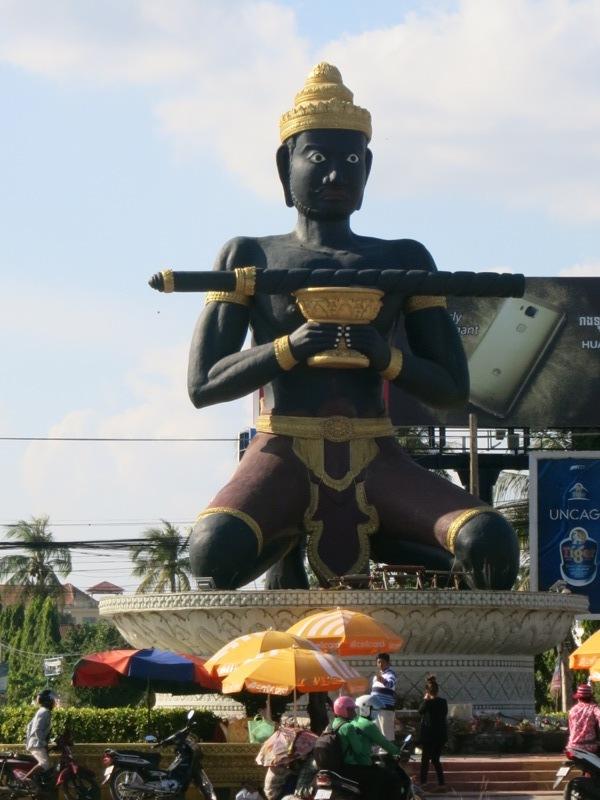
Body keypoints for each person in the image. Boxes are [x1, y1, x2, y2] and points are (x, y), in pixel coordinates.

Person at [187, 62, 519, 592]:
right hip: (282, 453)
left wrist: (384, 357)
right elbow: (203, 386)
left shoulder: (404, 259)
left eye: (351, 160)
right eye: (317, 158)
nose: (336, 175)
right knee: (209, 553)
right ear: (284, 166)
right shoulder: (249, 256)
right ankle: (285, 542)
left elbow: (452, 386)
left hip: (378, 456)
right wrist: (288, 348)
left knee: (491, 542)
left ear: (369, 168)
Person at [332, 695, 401, 800]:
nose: (377, 713)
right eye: (374, 710)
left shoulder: (346, 722)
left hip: (344, 765)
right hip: (361, 764)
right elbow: (383, 743)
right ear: (365, 708)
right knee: (391, 779)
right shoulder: (366, 725)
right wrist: (398, 751)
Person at [418, 674, 448, 791]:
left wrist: (426, 700)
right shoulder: (443, 702)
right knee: (436, 759)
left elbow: (420, 711)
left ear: (427, 691)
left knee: (425, 759)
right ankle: (442, 784)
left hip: (429, 736)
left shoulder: (427, 703)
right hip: (440, 735)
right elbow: (444, 714)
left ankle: (423, 783)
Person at [25, 689, 57, 781]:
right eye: (52, 700)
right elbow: (37, 729)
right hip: (37, 744)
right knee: (45, 764)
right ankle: (25, 779)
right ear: (48, 701)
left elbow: (29, 726)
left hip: (35, 743)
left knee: (47, 765)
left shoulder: (41, 711)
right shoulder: (45, 712)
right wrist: (43, 742)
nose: (53, 702)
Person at [370, 653, 397, 741]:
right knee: (377, 733)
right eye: (378, 662)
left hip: (385, 709)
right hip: (375, 709)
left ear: (388, 663)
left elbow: (390, 684)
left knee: (386, 733)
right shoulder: (376, 677)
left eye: (383, 662)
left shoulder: (391, 674)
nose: (380, 664)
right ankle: (379, 753)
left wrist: (382, 680)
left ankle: (387, 753)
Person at [567, 684, 600, 753]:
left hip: (572, 746)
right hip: (590, 746)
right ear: (591, 697)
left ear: (578, 698)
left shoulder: (572, 710)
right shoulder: (594, 708)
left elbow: (571, 728)